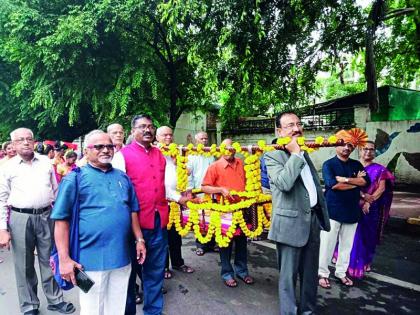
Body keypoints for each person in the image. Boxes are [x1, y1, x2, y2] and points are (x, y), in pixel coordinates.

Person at [51, 130, 146, 315]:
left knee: (117, 307)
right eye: (99, 146)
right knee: (92, 309)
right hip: (87, 261)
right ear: (86, 151)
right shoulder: (75, 178)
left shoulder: (122, 177)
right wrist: (64, 259)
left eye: (109, 146)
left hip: (121, 257)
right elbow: (61, 221)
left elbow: (133, 210)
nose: (105, 150)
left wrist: (140, 240)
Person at [0, 128, 75, 315]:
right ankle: (29, 305)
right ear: (14, 144)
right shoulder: (6, 168)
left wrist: (61, 218)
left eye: (29, 139)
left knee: (49, 259)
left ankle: (55, 300)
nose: (26, 142)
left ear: (34, 141)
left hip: (47, 215)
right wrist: (2, 229)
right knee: (23, 264)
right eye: (20, 140)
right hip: (19, 217)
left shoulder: (45, 163)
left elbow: (56, 192)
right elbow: (1, 199)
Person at [264, 111, 330, 315]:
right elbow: (284, 183)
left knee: (310, 276)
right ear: (279, 130)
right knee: (288, 279)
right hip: (289, 224)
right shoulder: (272, 154)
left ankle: (308, 311)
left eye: (299, 124)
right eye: (290, 125)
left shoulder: (304, 152)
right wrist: (294, 154)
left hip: (312, 221)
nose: (296, 128)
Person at [113, 114, 168, 315]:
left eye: (151, 127)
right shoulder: (122, 156)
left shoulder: (159, 154)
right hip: (132, 225)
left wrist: (182, 197)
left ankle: (153, 311)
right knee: (129, 273)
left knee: (155, 271)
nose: (148, 130)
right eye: (142, 126)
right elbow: (119, 195)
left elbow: (167, 186)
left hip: (158, 221)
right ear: (132, 132)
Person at [333, 141, 395, 278]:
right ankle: (343, 260)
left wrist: (369, 201)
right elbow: (345, 183)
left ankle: (364, 262)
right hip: (353, 204)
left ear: (375, 152)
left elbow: (382, 188)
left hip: (371, 208)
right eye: (365, 149)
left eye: (371, 149)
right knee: (351, 235)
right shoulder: (353, 166)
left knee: (368, 236)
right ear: (360, 150)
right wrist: (362, 197)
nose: (368, 152)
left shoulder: (380, 169)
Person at [318, 130, 370, 288]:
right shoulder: (329, 164)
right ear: (337, 145)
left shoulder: (357, 164)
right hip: (333, 211)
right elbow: (333, 185)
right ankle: (322, 273)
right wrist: (356, 183)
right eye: (345, 144)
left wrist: (346, 180)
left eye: (351, 146)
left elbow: (365, 182)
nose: (347, 148)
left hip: (352, 212)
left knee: (347, 246)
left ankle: (341, 272)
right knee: (327, 244)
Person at [201, 138, 254, 288]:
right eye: (225, 147)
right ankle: (227, 273)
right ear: (220, 149)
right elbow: (204, 187)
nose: (228, 150)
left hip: (242, 209)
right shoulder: (215, 166)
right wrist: (220, 190)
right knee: (225, 244)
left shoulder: (240, 163)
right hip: (224, 211)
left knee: (242, 242)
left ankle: (242, 272)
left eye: (231, 147)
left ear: (235, 149)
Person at [156, 126, 195, 280]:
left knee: (176, 236)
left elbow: (185, 174)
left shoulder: (177, 153)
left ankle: (178, 263)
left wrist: (187, 191)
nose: (168, 138)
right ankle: (164, 267)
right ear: (157, 137)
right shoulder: (155, 154)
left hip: (177, 203)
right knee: (163, 238)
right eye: (164, 135)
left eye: (170, 135)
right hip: (162, 203)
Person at [187, 131, 216, 256]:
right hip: (198, 191)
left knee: (213, 218)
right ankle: (200, 245)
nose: (204, 141)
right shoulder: (191, 156)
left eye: (206, 138)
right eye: (201, 138)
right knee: (201, 220)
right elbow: (189, 175)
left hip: (212, 191)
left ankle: (212, 244)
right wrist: (191, 191)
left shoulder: (211, 154)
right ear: (196, 140)